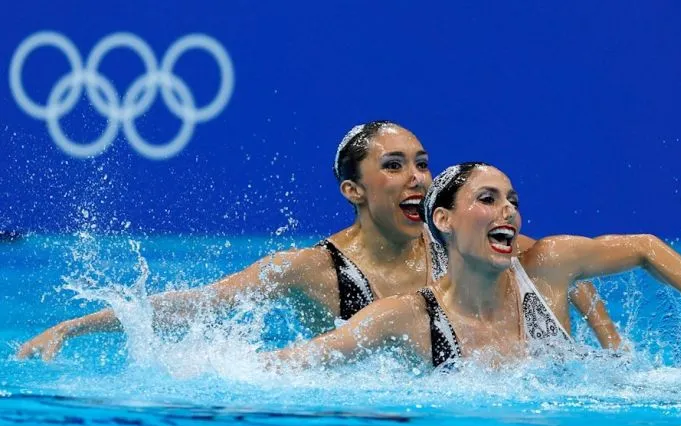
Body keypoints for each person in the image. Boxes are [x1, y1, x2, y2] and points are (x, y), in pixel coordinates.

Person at [16, 123, 618, 361]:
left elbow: (545, 270)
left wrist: (610, 351)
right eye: (394, 167)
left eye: (422, 164)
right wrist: (71, 328)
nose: (417, 179)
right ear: (354, 191)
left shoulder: (456, 237)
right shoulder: (314, 269)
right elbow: (203, 304)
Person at [268, 163, 681, 370]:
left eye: (512, 200)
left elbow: (644, 246)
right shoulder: (408, 316)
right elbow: (289, 367)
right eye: (488, 199)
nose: (509, 211)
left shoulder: (545, 266)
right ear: (444, 220)